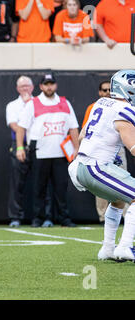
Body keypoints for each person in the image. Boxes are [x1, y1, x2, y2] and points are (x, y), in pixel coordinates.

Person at [68, 69, 135, 261]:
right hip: (95, 167)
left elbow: (81, 136)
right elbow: (133, 148)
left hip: (80, 165)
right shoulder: (125, 110)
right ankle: (125, 246)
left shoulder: (101, 102)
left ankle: (107, 249)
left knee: (117, 199)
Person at [16, 73, 79, 227]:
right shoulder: (33, 103)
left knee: (61, 188)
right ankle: (38, 218)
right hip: (39, 151)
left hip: (61, 152)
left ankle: (64, 218)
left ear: (55, 85)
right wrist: (19, 147)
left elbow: (73, 128)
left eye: (51, 84)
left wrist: (77, 148)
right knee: (39, 187)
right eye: (46, 84)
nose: (49, 87)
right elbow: (21, 127)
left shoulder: (64, 102)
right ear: (41, 86)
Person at [82, 80, 129, 224]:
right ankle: (103, 216)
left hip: (117, 148)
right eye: (104, 90)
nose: (107, 92)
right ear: (99, 92)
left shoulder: (119, 106)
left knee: (123, 181)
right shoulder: (95, 106)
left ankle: (126, 216)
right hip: (100, 149)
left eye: (110, 89)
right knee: (102, 185)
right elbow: (84, 131)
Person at [5, 76, 34, 227]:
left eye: (27, 86)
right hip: (19, 144)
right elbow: (15, 126)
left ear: (33, 87)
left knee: (41, 182)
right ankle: (15, 217)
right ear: (17, 89)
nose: (25, 89)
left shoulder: (38, 103)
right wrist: (26, 132)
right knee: (17, 183)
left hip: (36, 144)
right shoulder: (12, 105)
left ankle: (40, 216)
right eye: (22, 86)